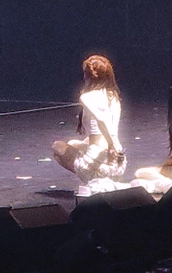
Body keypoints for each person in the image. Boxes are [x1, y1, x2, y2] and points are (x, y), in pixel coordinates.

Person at [52, 55, 127, 189]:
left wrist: (110, 145)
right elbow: (110, 129)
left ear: (87, 76)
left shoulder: (86, 97)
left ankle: (94, 181)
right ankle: (104, 179)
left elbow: (101, 119)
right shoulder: (113, 96)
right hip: (118, 164)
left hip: (98, 165)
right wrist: (113, 146)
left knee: (57, 147)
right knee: (73, 143)